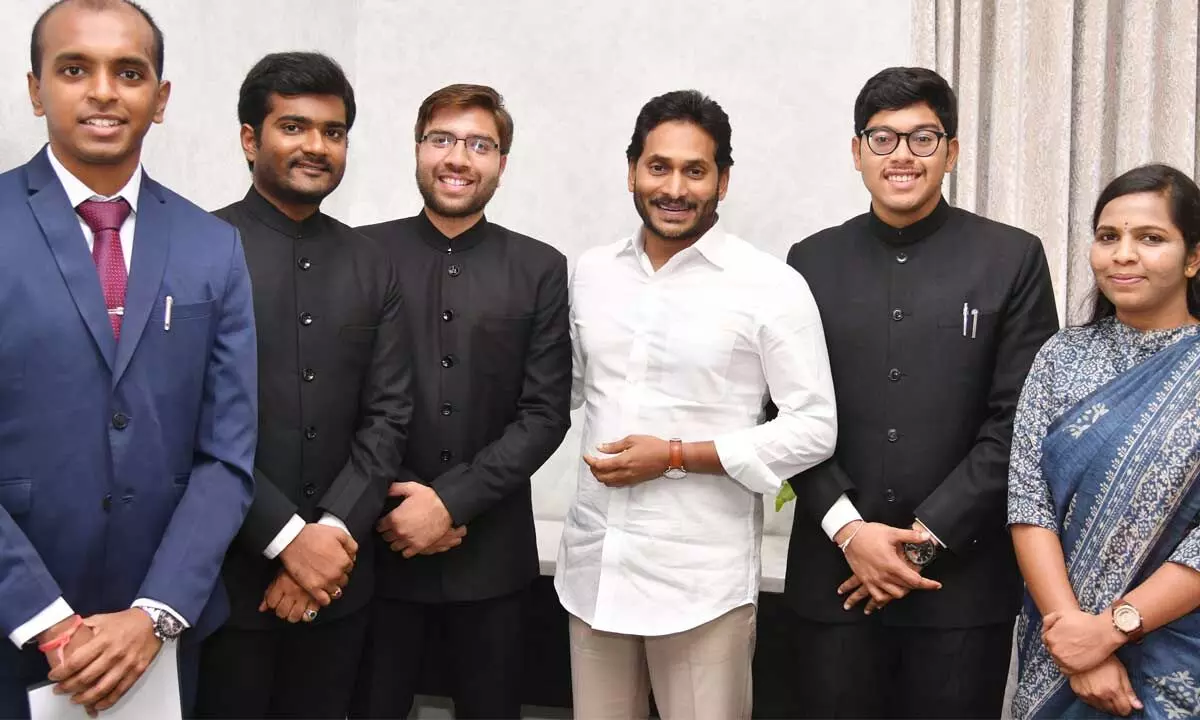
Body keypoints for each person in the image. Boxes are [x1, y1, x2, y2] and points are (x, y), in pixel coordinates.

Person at [0, 0, 257, 716]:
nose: (105, 91)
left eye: (130, 71)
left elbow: (227, 455)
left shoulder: (214, 247)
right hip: (12, 631)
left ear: (161, 98)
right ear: (34, 88)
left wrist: (156, 612)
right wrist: (46, 619)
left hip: (163, 639)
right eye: (75, 68)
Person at [783, 66, 1059, 718]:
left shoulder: (1011, 257)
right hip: (835, 582)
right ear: (857, 153)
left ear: (952, 152)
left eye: (923, 138)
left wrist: (920, 538)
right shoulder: (809, 262)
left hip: (961, 588)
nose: (901, 155)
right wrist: (851, 532)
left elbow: (1019, 418)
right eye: (882, 138)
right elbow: (783, 410)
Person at [558, 89, 837, 720]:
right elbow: (562, 393)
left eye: (695, 170)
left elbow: (815, 428)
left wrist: (678, 455)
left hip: (700, 585)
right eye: (659, 167)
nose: (675, 188)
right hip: (594, 571)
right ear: (632, 169)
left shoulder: (770, 286)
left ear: (723, 180)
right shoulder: (590, 273)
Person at [193, 52, 413, 719]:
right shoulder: (198, 247)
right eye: (294, 126)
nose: (317, 145)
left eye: (334, 131)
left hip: (342, 587)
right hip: (224, 584)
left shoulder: (374, 264)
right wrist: (290, 539)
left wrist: (330, 538)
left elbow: (389, 417)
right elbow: (186, 419)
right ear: (249, 138)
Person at [349, 84, 571, 720]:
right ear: (417, 149)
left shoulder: (540, 268)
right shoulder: (362, 253)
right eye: (442, 139)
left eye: (480, 144)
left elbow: (545, 413)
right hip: (376, 547)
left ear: (502, 161)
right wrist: (400, 500)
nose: (458, 157)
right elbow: (339, 397)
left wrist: (449, 503)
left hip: (493, 562)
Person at [1009, 163, 1200, 720]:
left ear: (1193, 257)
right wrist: (1075, 640)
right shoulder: (1060, 357)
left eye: (1150, 238)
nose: (1123, 254)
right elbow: (1027, 501)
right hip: (1058, 644)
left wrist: (1112, 629)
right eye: (1108, 237)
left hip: (1176, 649)